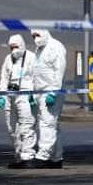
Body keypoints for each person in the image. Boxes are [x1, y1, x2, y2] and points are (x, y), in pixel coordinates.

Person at [28, 29, 66, 169]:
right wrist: (32, 93)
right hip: (40, 92)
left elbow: (59, 71)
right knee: (51, 126)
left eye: (37, 35)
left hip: (50, 92)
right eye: (33, 36)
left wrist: (53, 92)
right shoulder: (39, 49)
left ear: (44, 32)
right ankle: (56, 158)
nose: (35, 38)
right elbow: (35, 72)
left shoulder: (55, 47)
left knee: (47, 124)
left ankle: (43, 156)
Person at [0, 34, 35, 168]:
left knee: (26, 125)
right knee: (12, 128)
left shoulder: (31, 58)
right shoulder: (8, 59)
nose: (14, 50)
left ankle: (28, 156)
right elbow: (4, 78)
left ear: (22, 45)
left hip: (25, 94)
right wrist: (1, 96)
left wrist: (33, 94)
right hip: (10, 94)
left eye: (16, 47)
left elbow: (35, 77)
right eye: (11, 47)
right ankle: (18, 155)